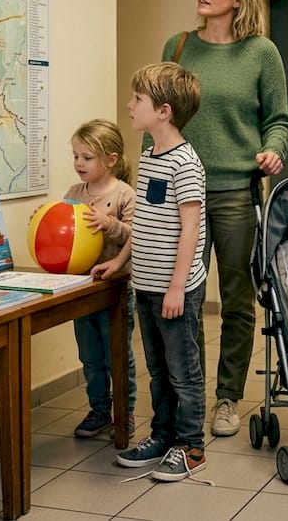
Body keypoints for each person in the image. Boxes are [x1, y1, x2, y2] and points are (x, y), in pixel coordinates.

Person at [160, 0, 288, 438]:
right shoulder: (177, 47)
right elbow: (160, 120)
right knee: (185, 299)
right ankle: (189, 395)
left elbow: (279, 120)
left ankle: (228, 398)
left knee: (237, 300)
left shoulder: (262, 53)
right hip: (181, 196)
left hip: (237, 193)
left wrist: (273, 150)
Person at [96, 62, 209, 482]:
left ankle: (191, 444)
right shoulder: (147, 158)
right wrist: (121, 260)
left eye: (137, 99)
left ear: (163, 111)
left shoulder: (186, 163)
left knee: (184, 369)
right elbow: (143, 223)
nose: (129, 105)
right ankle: (162, 435)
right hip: (145, 285)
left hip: (174, 289)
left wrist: (177, 287)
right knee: (158, 368)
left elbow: (190, 230)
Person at [63, 119, 137, 439]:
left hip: (116, 289)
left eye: (87, 157)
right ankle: (98, 409)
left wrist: (110, 223)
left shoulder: (124, 195)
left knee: (117, 354)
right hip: (83, 289)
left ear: (111, 160)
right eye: (76, 156)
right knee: (90, 355)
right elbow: (62, 230)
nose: (79, 163)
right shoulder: (73, 193)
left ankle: (125, 410)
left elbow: (136, 236)